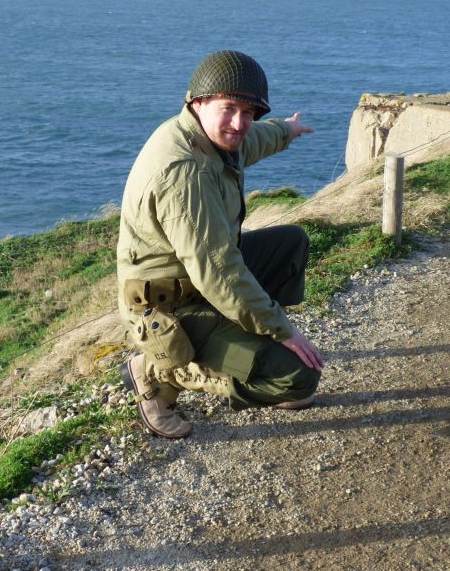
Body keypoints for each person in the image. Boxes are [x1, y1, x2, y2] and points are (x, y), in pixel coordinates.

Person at [117, 50, 324, 439]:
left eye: (248, 112)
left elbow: (251, 140)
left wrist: (286, 130)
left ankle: (241, 337)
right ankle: (157, 374)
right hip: (170, 307)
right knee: (299, 382)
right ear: (198, 103)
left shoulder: (210, 136)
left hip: (198, 282)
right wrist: (284, 331)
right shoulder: (186, 174)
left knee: (289, 244)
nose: (239, 122)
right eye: (230, 108)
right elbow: (220, 273)